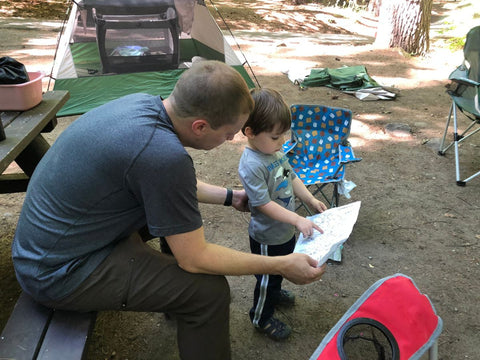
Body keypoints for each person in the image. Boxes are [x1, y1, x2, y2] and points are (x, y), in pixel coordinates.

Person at [11, 60, 327, 360]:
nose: (231, 139)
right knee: (208, 291)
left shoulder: (145, 105)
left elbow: (168, 185)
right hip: (57, 270)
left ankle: (169, 298)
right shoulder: (164, 157)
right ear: (200, 126)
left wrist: (230, 196)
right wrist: (282, 264)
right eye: (228, 132)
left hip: (59, 239)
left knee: (180, 217)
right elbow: (195, 258)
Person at [238, 88, 328, 341]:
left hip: (285, 231)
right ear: (250, 133)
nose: (283, 142)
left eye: (284, 136)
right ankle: (260, 316)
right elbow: (263, 204)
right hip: (267, 236)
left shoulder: (274, 153)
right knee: (267, 277)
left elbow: (293, 177)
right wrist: (298, 219)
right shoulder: (252, 163)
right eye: (276, 137)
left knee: (279, 272)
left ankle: (275, 293)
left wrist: (309, 199)